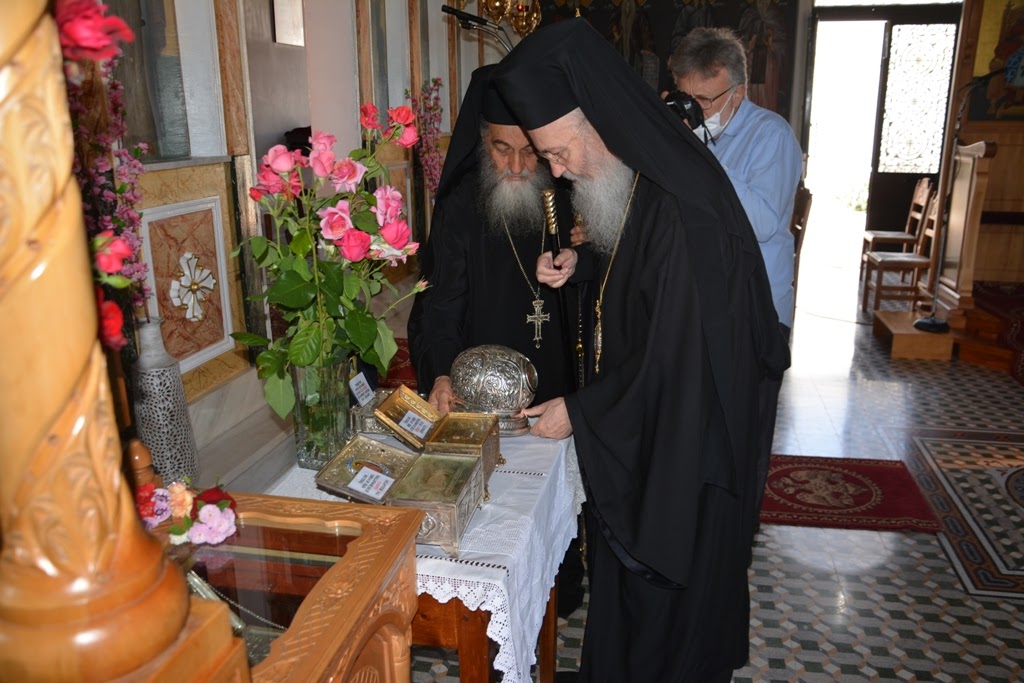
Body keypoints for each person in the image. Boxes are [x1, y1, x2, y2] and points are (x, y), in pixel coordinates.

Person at [493, 19, 789, 682]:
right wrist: (587, 261)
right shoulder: (643, 183)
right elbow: (638, 287)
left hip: (682, 474)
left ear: (600, 121)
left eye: (560, 151)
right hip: (654, 454)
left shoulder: (683, 208)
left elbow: (677, 357)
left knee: (665, 643)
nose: (557, 169)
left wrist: (583, 409)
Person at [406, 64, 586, 617]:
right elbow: (442, 302)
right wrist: (439, 371)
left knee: (557, 496)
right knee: (495, 507)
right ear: (482, 141)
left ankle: (558, 588)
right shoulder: (462, 202)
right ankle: (492, 603)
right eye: (500, 149)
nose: (515, 165)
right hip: (482, 390)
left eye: (528, 151)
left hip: (560, 374)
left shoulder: (570, 186)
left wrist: (585, 255)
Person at [669, 26, 803, 523]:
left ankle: (736, 531)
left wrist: (697, 156)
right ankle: (699, 523)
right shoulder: (685, 130)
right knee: (702, 431)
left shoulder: (771, 136)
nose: (695, 110)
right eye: (686, 98)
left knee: (741, 435)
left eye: (705, 100)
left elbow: (764, 222)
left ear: (739, 92)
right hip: (699, 308)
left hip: (754, 314)